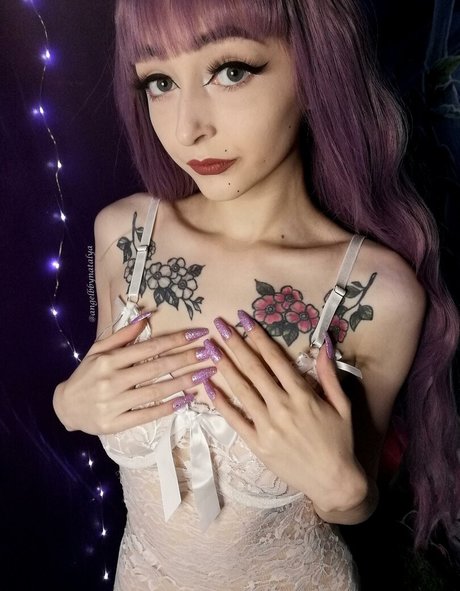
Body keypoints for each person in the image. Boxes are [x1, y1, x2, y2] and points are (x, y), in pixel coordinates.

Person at [53, 0, 460, 589]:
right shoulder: (126, 236)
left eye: (231, 70)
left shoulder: (376, 292)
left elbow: (353, 497)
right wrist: (68, 405)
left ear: (316, 66)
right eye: (160, 81)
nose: (188, 128)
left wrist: (348, 491)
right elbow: (101, 383)